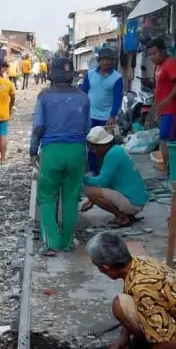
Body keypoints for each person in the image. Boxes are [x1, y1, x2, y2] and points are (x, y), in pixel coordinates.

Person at [30, 57, 90, 255]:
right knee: (71, 198)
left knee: (47, 198)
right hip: (76, 150)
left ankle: (52, 243)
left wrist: (33, 150)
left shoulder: (44, 97)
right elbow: (87, 127)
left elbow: (38, 126)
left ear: (52, 77)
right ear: (71, 77)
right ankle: (67, 241)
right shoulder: (83, 97)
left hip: (52, 150)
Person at [81, 126, 148, 227]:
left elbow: (102, 181)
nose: (92, 151)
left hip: (133, 203)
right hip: (136, 199)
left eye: (93, 148)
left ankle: (121, 216)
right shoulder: (117, 150)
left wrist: (81, 179)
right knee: (93, 192)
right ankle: (125, 214)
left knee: (89, 191)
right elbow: (107, 182)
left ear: (101, 145)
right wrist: (92, 200)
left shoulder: (112, 155)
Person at [146, 37, 176, 173]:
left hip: (175, 108)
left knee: (167, 137)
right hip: (166, 110)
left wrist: (168, 99)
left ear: (163, 51)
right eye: (150, 55)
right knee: (165, 137)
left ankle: (171, 170)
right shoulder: (159, 66)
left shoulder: (172, 63)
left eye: (155, 53)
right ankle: (169, 168)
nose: (152, 57)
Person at [80, 46, 124, 173]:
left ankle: (107, 171)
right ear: (98, 60)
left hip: (107, 118)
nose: (106, 62)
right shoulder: (90, 74)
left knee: (107, 145)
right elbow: (83, 93)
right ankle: (93, 170)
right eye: (104, 59)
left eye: (109, 59)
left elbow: (117, 98)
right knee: (92, 144)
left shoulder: (117, 77)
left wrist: (113, 116)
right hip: (91, 116)